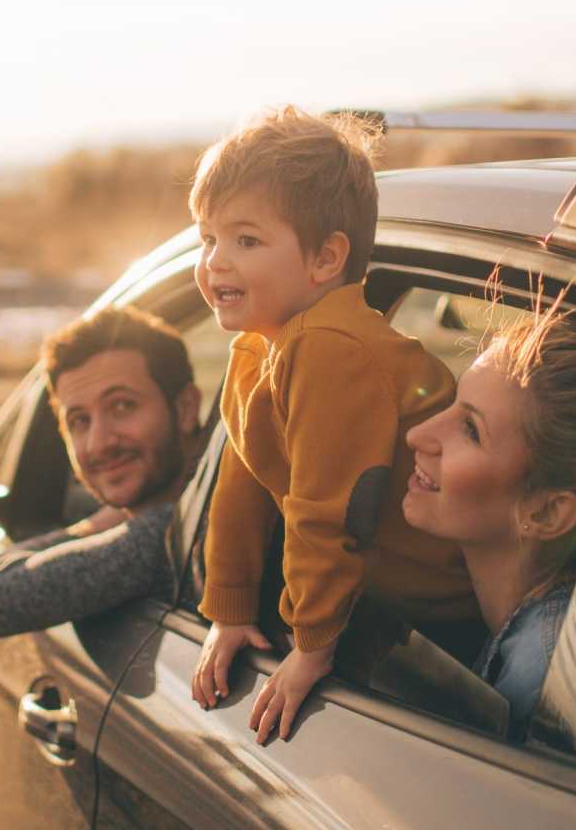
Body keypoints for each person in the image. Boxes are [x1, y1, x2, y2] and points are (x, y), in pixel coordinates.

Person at [187, 107, 478, 744]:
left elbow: (326, 510)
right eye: (207, 238)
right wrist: (230, 609)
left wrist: (311, 646)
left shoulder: (329, 349)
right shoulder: (263, 348)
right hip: (389, 608)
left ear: (325, 258)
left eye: (246, 240)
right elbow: (244, 486)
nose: (215, 263)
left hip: (446, 617)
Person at [401, 302, 576, 742]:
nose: (419, 435)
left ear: (545, 513)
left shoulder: (541, 683)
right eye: (452, 403)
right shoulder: (551, 635)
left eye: (470, 429)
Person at [0, 306, 205, 639]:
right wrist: (111, 519)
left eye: (123, 406)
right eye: (79, 421)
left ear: (185, 408)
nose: (99, 443)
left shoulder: (176, 536)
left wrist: (101, 524)